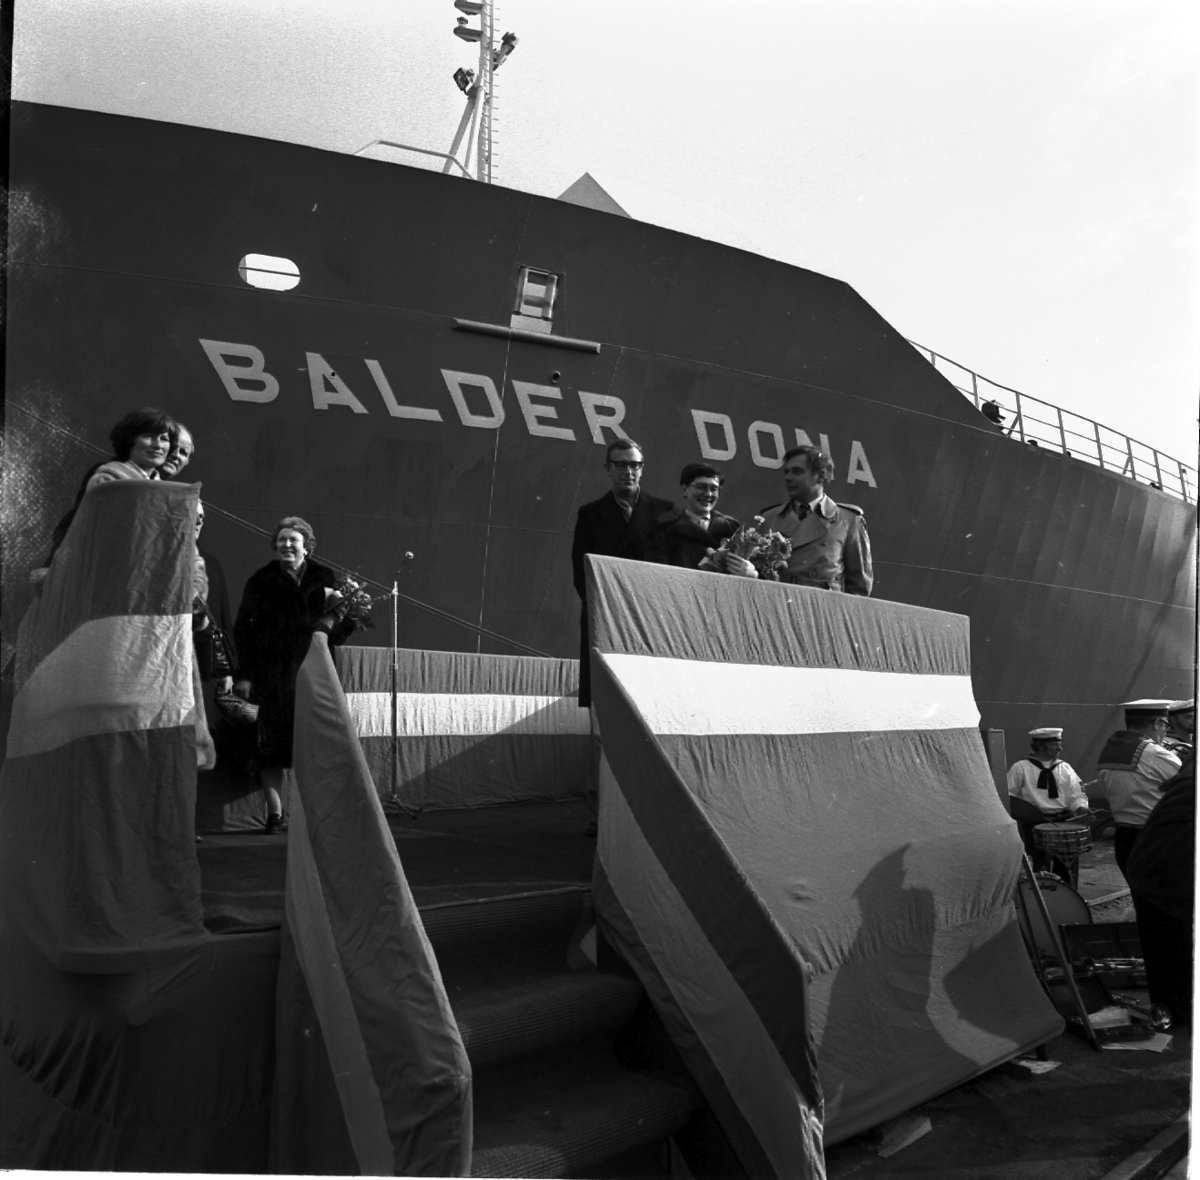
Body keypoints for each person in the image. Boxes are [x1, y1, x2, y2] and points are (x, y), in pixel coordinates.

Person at [233, 517, 355, 833]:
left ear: (307, 546)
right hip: (271, 674)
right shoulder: (261, 580)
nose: (286, 545)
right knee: (268, 746)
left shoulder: (324, 577)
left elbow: (343, 623)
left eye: (293, 540)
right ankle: (275, 814)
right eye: (282, 540)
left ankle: (310, 812)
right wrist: (244, 675)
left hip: (314, 670)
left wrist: (335, 625)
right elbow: (243, 629)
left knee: (311, 743)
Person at [571, 439, 673, 708]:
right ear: (608, 468)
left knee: (650, 696)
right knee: (605, 697)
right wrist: (603, 610)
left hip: (650, 618)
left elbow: (671, 570)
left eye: (634, 465)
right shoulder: (590, 515)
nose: (628, 471)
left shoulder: (665, 512)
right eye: (621, 465)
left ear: (642, 468)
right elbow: (581, 573)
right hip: (606, 616)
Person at [1124, 752, 1194, 1028]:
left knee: (1169, 953)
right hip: (1165, 868)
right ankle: (1173, 1016)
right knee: (1172, 953)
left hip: (1160, 862)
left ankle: (1173, 1014)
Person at [757, 445, 873, 595]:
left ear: (820, 475)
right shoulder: (770, 518)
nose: (788, 478)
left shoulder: (848, 520)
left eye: (797, 471)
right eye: (787, 472)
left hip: (821, 605)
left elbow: (860, 585)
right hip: (777, 600)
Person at [1096, 699, 1183, 875]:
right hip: (1156, 836)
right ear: (1157, 722)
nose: (1166, 731)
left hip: (1123, 837)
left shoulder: (1108, 752)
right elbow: (1190, 787)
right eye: (1165, 725)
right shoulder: (1156, 754)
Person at [1006, 727, 1089, 877]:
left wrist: (1081, 807)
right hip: (1035, 823)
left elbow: (1076, 793)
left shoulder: (1065, 767)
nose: (1060, 748)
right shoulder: (1021, 767)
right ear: (1040, 746)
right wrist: (1023, 812)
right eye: (1055, 745)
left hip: (1063, 822)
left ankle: (1065, 889)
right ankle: (1042, 889)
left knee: (1065, 867)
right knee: (1040, 865)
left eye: (1059, 744)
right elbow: (1007, 795)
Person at [647, 462, 757, 576]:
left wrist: (752, 573)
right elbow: (655, 573)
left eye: (714, 489)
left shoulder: (731, 528)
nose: (708, 494)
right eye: (701, 487)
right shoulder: (665, 527)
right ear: (685, 489)